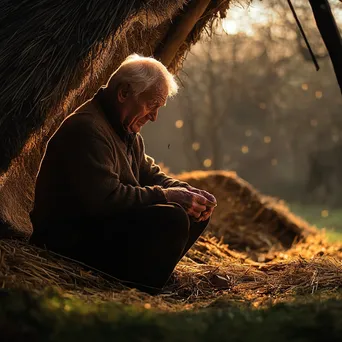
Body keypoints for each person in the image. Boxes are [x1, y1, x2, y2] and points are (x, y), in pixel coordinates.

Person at [30, 54, 217, 294]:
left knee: (193, 210)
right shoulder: (87, 129)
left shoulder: (125, 131)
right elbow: (105, 199)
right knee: (172, 218)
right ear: (124, 93)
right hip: (68, 241)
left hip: (100, 229)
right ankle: (142, 286)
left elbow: (149, 174)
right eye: (152, 105)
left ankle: (149, 277)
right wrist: (168, 196)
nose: (154, 116)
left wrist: (187, 192)